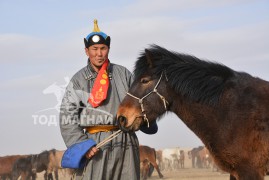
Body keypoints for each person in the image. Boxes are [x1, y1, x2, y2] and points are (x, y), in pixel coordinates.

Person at [59, 19, 158, 180]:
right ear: (86, 51)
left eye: (103, 48)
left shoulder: (123, 74)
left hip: (126, 141)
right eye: (94, 49)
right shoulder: (78, 80)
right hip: (95, 146)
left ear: (108, 49)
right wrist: (82, 146)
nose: (99, 53)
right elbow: (66, 118)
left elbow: (140, 102)